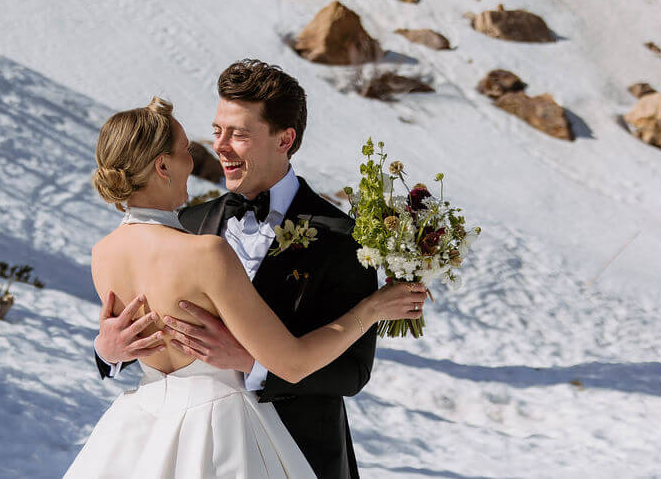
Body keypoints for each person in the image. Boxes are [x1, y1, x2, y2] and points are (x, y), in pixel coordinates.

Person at [70, 83, 427, 477]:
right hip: (225, 438)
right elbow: (293, 362)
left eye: (237, 134)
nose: (217, 147)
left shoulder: (343, 236)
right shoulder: (197, 236)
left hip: (182, 444)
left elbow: (353, 372)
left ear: (284, 139)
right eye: (212, 134)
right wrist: (108, 349)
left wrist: (252, 363)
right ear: (162, 166)